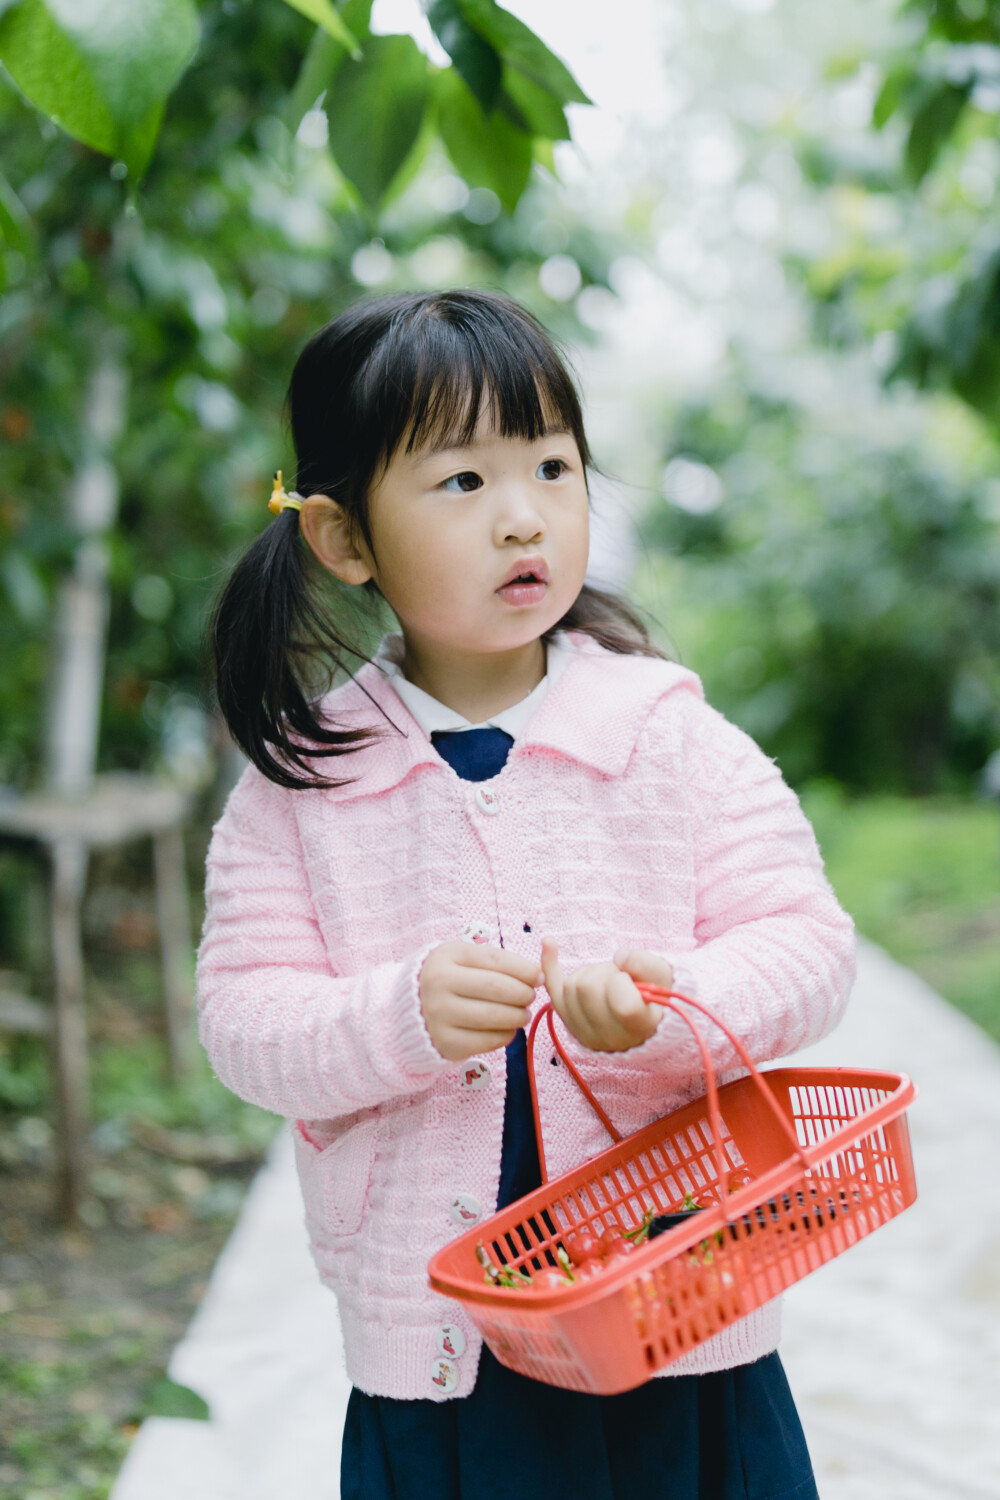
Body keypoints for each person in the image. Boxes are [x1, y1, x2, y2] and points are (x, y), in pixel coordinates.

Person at [197, 288, 855, 1499]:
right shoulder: (302, 788)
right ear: (345, 541)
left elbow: (808, 943)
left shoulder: (668, 736)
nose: (522, 518)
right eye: (461, 482)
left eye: (551, 466)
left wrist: (677, 1000)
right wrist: (396, 1019)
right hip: (447, 1345)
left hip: (674, 1312)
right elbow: (246, 1026)